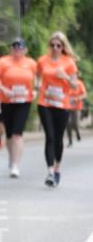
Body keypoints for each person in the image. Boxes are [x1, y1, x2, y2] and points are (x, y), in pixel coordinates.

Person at [35, 31, 79, 187]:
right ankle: (50, 172)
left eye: (58, 45)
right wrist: (37, 85)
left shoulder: (69, 62)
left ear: (63, 47)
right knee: (50, 136)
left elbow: (75, 85)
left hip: (62, 105)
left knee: (59, 139)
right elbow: (37, 76)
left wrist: (65, 77)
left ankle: (58, 167)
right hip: (45, 103)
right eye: (52, 45)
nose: (55, 48)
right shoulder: (42, 60)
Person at [0, 38, 37, 178]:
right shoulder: (4, 62)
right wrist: (3, 89)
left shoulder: (31, 63)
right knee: (9, 134)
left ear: (25, 50)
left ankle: (16, 165)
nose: (17, 51)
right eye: (15, 48)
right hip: (7, 101)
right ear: (11, 49)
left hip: (24, 101)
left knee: (17, 134)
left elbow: (39, 78)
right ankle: (11, 157)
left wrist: (36, 90)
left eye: (20, 48)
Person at [67, 77, 86, 146]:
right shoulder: (66, 82)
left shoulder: (80, 83)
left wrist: (77, 98)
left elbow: (84, 94)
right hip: (67, 107)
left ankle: (77, 132)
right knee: (68, 124)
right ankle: (70, 141)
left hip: (77, 107)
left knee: (75, 123)